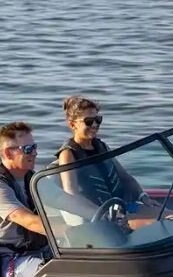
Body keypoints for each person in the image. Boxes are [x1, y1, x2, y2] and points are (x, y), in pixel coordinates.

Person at [56, 95, 156, 223]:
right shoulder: (68, 154)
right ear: (72, 124)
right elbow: (72, 195)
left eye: (98, 120)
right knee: (156, 223)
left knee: (171, 216)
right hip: (104, 218)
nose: (95, 125)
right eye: (89, 121)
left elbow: (125, 177)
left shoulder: (102, 146)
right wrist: (104, 215)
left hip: (124, 207)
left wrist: (143, 197)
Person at [0, 122, 52, 277]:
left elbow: (66, 200)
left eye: (34, 147)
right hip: (13, 260)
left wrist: (97, 218)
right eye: (28, 149)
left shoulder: (31, 179)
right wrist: (71, 229)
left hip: (43, 250)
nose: (35, 153)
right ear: (8, 153)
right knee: (62, 276)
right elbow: (29, 221)